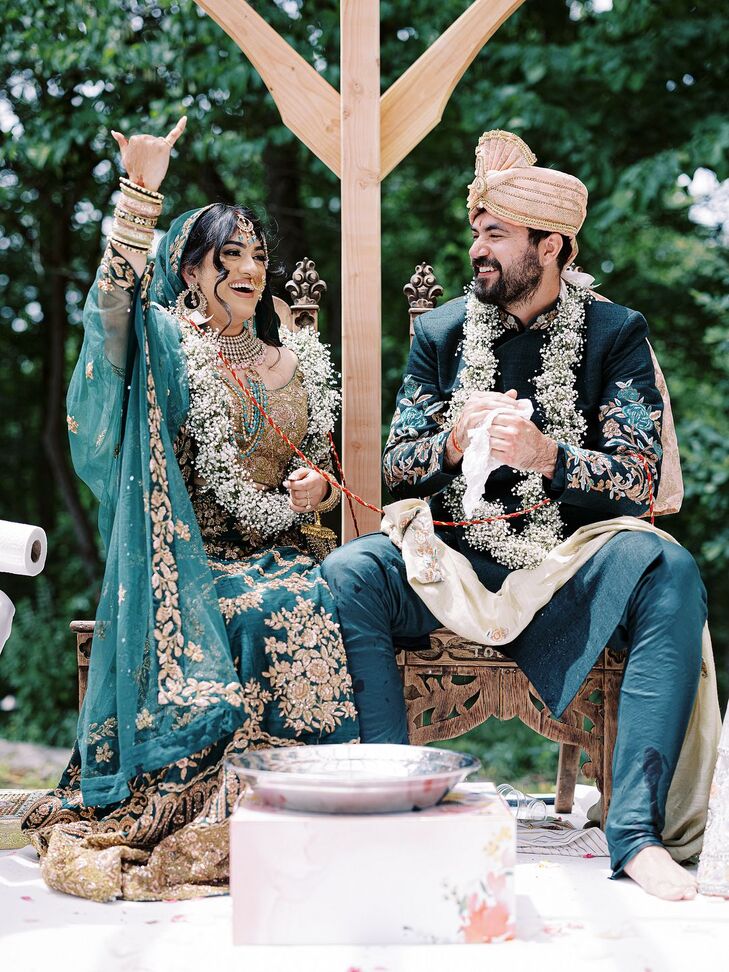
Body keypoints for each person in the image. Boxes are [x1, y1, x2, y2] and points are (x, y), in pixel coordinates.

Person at [322, 129, 714, 901]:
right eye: (476, 232)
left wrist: (547, 455)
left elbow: (636, 478)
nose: (478, 248)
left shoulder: (614, 333)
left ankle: (633, 836)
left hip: (566, 560)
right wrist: (452, 439)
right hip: (456, 557)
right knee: (347, 573)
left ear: (552, 245)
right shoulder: (440, 332)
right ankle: (393, 806)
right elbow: (395, 464)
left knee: (668, 568)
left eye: (496, 234)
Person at [22, 118, 358, 901]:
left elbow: (316, 470)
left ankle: (311, 800)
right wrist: (138, 195)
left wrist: (320, 488)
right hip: (184, 559)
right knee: (259, 608)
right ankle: (213, 803)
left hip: (280, 545)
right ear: (191, 269)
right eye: (227, 255)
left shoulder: (295, 358)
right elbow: (111, 312)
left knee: (315, 594)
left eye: (257, 254)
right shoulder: (166, 343)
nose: (248, 267)